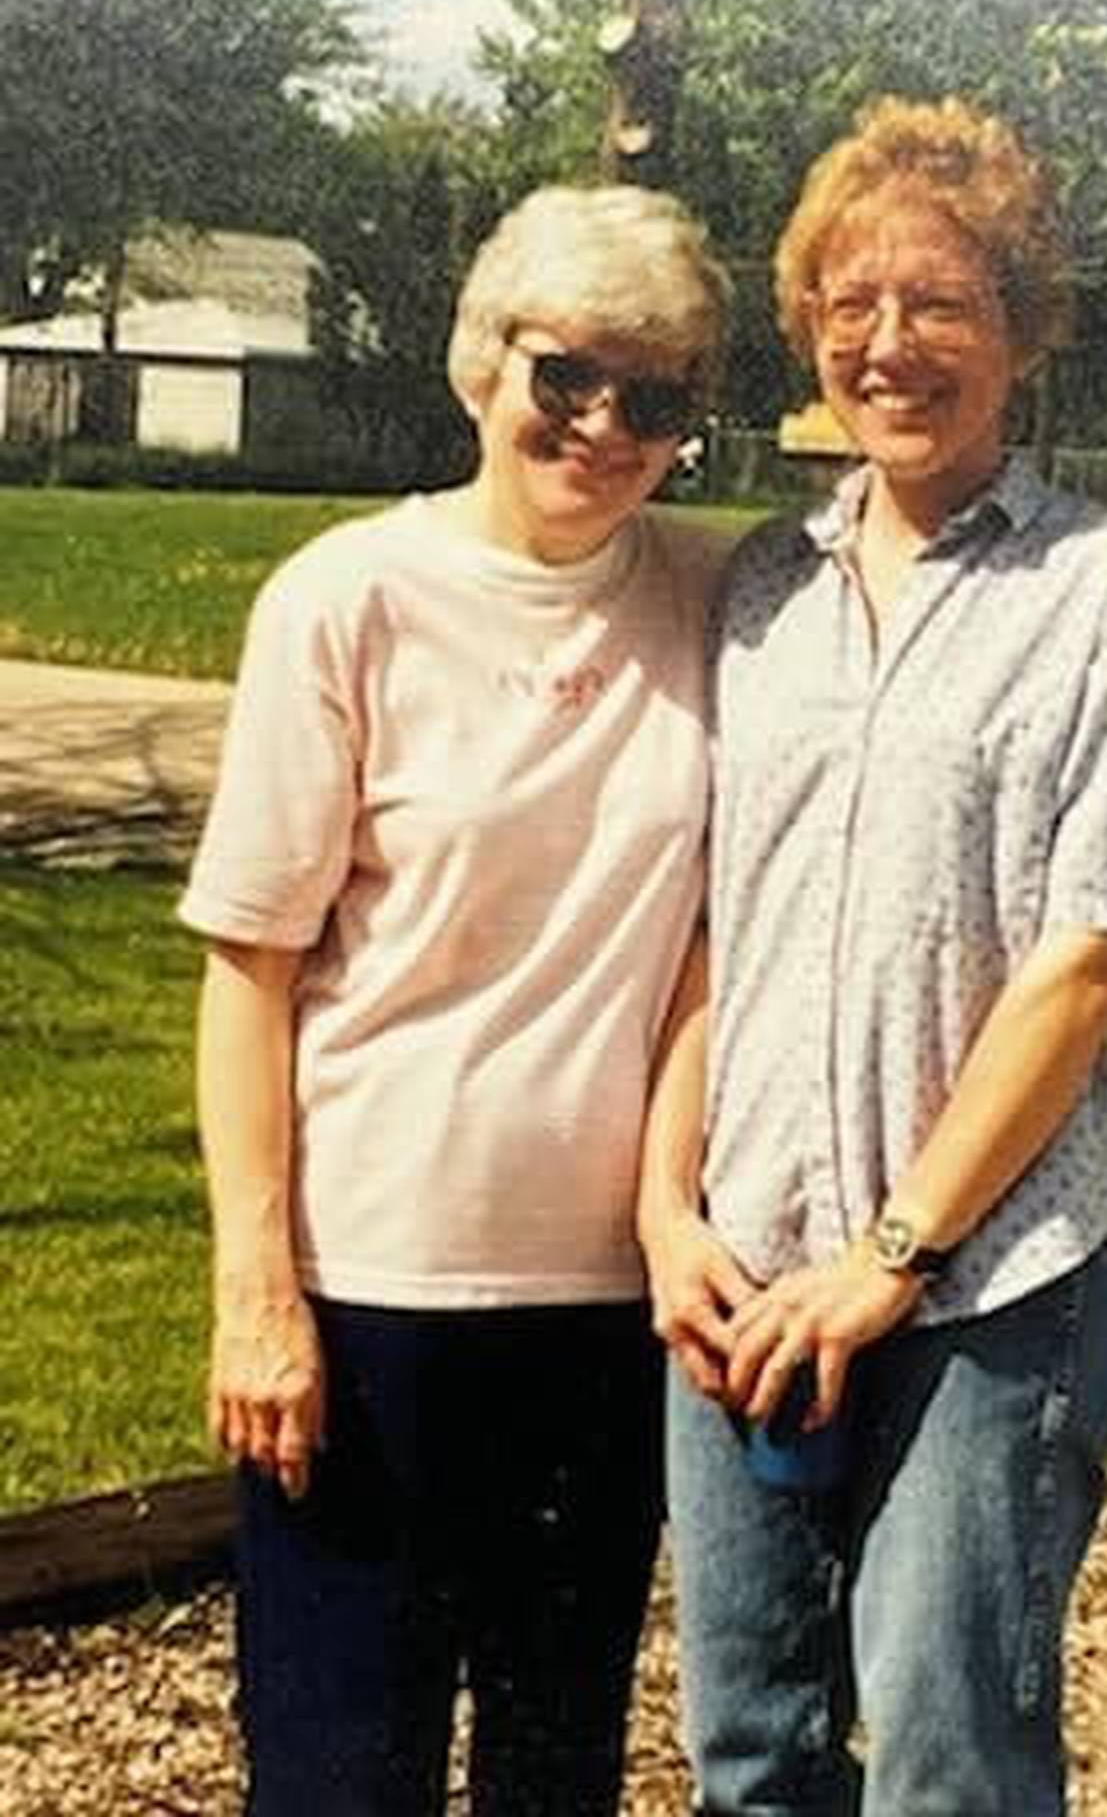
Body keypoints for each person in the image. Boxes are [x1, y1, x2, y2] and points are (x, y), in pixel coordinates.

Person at [641, 95, 1107, 1816]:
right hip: (747, 1264)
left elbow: (1091, 957)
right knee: (747, 1751)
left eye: (942, 304)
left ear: (1024, 335)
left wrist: (898, 1254)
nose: (888, 345)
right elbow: (714, 931)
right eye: (850, 305)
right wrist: (669, 1214)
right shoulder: (756, 589)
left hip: (987, 1292)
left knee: (952, 1761)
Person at [179, 182, 729, 1815]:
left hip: (608, 1304)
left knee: (556, 1769)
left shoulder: (718, 600)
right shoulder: (346, 600)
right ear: (483, 364)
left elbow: (943, 582)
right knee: (345, 1771)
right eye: (568, 375)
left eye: (658, 396)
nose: (605, 426)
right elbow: (248, 969)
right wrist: (255, 1290)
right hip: (371, 1290)